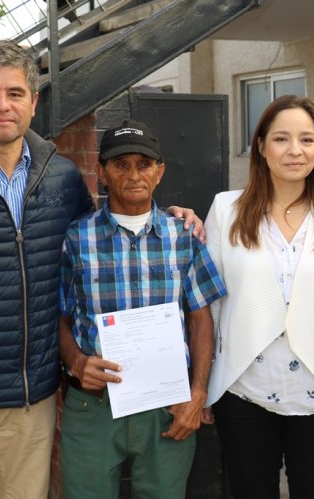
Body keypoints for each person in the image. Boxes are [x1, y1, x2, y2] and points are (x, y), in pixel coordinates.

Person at [0, 39, 202, 499]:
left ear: (33, 102)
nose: (2, 105)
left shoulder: (61, 176)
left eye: (14, 93)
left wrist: (167, 214)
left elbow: (104, 233)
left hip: (32, 399)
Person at [203, 94, 314, 499]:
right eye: (282, 139)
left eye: (307, 139)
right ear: (261, 147)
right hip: (244, 390)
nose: (295, 151)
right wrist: (207, 384)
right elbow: (211, 307)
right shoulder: (225, 210)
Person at [58, 119, 226, 498]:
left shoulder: (183, 235)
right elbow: (61, 315)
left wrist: (197, 393)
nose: (133, 175)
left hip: (167, 404)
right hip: (95, 405)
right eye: (120, 165)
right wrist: (75, 361)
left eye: (144, 163)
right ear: (102, 173)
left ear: (159, 171)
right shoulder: (77, 237)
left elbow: (200, 318)